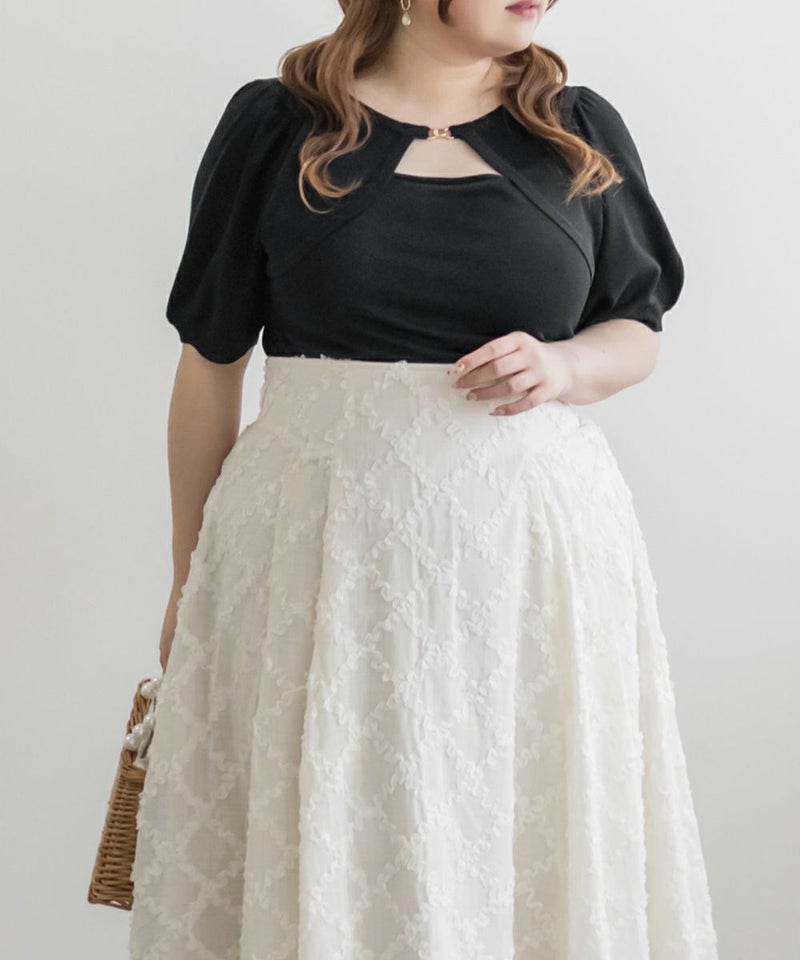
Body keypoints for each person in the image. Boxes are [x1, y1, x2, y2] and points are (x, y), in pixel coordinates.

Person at [129, 1, 719, 957]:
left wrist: (565, 365)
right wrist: (185, 575)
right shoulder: (278, 125)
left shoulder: (576, 127)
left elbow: (636, 327)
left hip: (533, 572)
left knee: (526, 837)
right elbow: (210, 365)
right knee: (341, 829)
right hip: (315, 563)